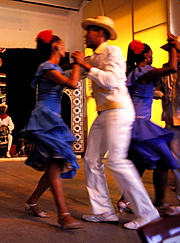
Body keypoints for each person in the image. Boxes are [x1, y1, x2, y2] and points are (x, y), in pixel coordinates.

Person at [73, 16, 160, 230]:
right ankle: (104, 212)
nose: (86, 35)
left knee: (116, 161)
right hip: (104, 113)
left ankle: (148, 213)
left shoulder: (113, 52)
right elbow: (74, 76)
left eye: (89, 31)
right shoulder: (93, 58)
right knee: (91, 160)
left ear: (99, 33)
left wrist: (85, 65)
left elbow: (111, 81)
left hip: (119, 111)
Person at [20, 30, 83, 229]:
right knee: (56, 162)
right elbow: (73, 83)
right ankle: (64, 214)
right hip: (45, 118)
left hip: (52, 119)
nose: (65, 47)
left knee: (54, 166)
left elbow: (65, 67)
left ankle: (32, 201)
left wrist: (79, 63)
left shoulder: (54, 66)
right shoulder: (46, 67)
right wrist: (79, 63)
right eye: (63, 44)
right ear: (55, 46)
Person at [117, 38, 178, 212]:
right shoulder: (145, 70)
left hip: (133, 123)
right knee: (164, 160)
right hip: (140, 123)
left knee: (141, 162)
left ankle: (124, 200)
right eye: (151, 54)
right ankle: (161, 204)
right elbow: (172, 68)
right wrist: (173, 47)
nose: (152, 57)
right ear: (145, 55)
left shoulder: (134, 73)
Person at [159, 33, 180, 215]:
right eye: (171, 51)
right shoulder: (167, 71)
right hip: (171, 120)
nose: (173, 54)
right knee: (173, 160)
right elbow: (158, 88)